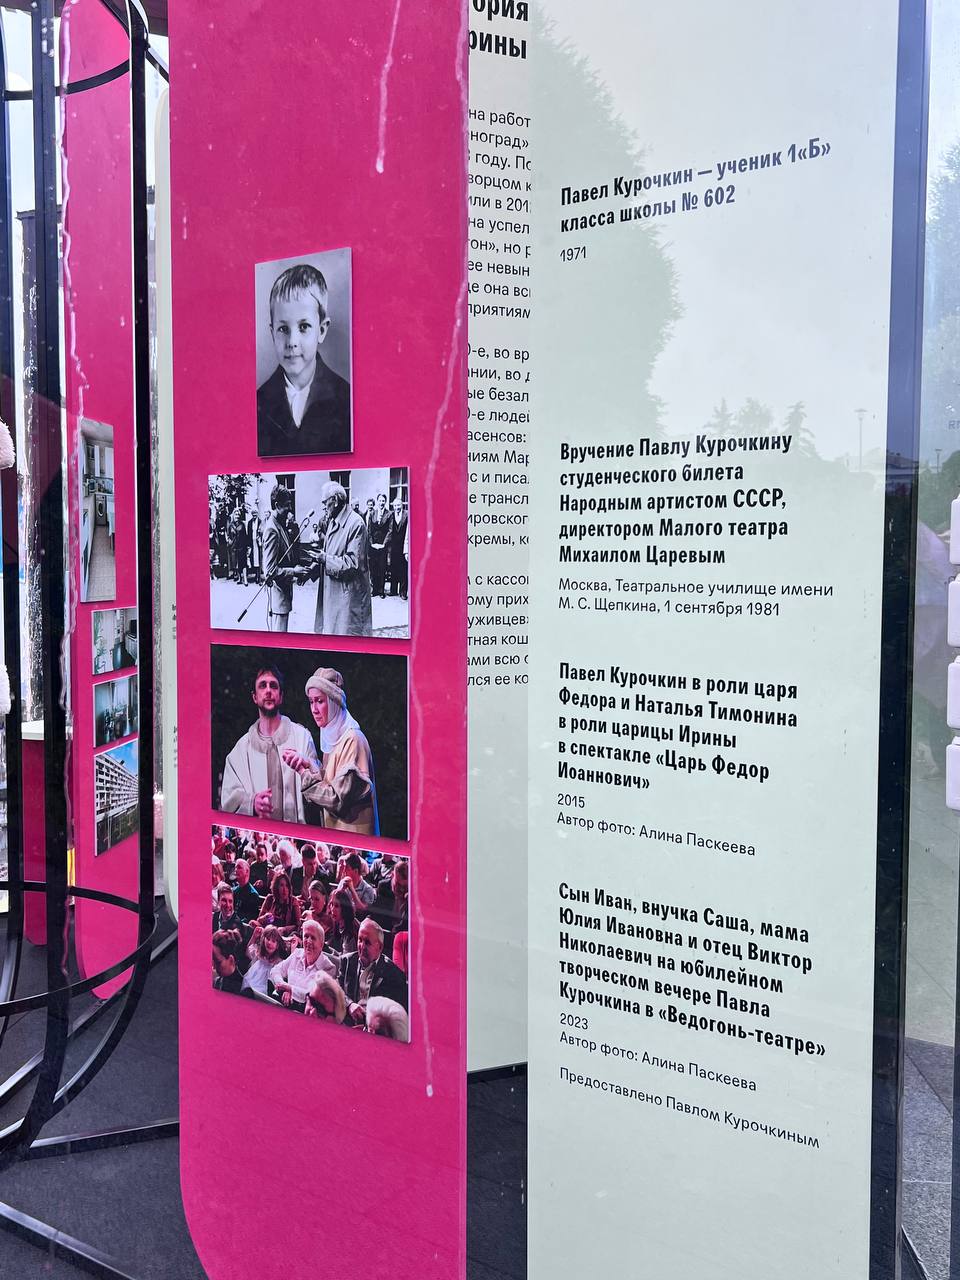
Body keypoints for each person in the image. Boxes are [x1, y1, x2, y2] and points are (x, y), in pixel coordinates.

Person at [256, 263, 351, 456]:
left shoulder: (345, 397)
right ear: (272, 333)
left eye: (304, 327)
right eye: (283, 329)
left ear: (321, 330)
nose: (292, 342)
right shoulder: (259, 401)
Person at [281, 668, 379, 834]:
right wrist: (307, 764)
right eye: (311, 702)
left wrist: (303, 773)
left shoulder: (353, 740)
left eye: (319, 701)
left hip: (354, 840)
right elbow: (329, 781)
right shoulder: (333, 740)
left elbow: (336, 800)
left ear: (334, 702)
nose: (314, 709)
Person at [220, 664, 319, 822]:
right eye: (262, 685)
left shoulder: (302, 737)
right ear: (254, 697)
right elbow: (228, 799)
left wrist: (307, 766)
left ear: (281, 696)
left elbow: (320, 786)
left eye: (273, 685)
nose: (268, 691)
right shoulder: (241, 750)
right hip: (258, 835)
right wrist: (252, 803)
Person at [302, 481, 372, 637]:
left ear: (334, 500)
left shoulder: (356, 524)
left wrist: (324, 559)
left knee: (348, 642)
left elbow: (352, 564)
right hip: (334, 598)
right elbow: (331, 553)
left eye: (324, 502)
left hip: (348, 601)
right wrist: (311, 571)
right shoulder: (333, 521)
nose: (323, 506)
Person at [339, 918, 408, 1024]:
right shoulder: (347, 961)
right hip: (348, 1022)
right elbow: (337, 990)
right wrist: (350, 1004)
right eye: (360, 940)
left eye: (367, 942)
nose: (362, 946)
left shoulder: (394, 975)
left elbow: (395, 1014)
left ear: (380, 947)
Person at [261, 484, 303, 633]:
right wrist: (294, 572)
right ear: (277, 505)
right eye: (287, 505)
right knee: (279, 638)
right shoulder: (272, 529)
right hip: (278, 597)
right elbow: (270, 571)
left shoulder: (280, 524)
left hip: (283, 595)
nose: (290, 509)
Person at [270, 919, 338, 1008]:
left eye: (313, 938)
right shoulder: (297, 953)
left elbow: (313, 995)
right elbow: (275, 971)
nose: (308, 941)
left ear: (321, 945)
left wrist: (291, 990)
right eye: (306, 936)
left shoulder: (328, 968)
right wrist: (284, 986)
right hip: (285, 1001)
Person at [242, 924, 289, 996]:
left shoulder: (278, 962)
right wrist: (254, 937)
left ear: (277, 946)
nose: (269, 943)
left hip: (264, 990)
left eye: (273, 941)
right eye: (268, 939)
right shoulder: (258, 953)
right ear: (263, 939)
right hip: (249, 984)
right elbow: (248, 951)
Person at [256, 869, 302, 936]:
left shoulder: (293, 901)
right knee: (252, 923)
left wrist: (285, 929)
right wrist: (265, 917)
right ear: (276, 887)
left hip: (285, 935)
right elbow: (259, 920)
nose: (284, 889)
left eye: (286, 886)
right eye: (281, 885)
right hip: (269, 932)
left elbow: (298, 925)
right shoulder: (270, 899)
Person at [367, 494, 391, 598]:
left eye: (383, 501)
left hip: (383, 546)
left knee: (382, 568)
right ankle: (374, 589)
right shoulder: (373, 513)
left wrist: (384, 544)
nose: (381, 503)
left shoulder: (389, 514)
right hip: (373, 546)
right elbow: (369, 530)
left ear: (385, 502)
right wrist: (371, 543)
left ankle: (381, 590)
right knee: (373, 567)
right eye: (380, 501)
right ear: (377, 502)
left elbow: (390, 530)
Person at [213, 929, 247, 995]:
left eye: (218, 962)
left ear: (231, 960)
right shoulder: (217, 981)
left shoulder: (243, 991)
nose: (213, 967)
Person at [326, 888, 359, 956]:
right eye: (331, 904)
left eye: (337, 906)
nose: (332, 909)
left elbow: (346, 958)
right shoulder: (338, 922)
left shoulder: (350, 930)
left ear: (344, 908)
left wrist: (330, 952)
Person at [388, 498, 408, 599]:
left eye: (399, 505)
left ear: (402, 505)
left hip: (403, 545)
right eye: (395, 506)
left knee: (403, 569)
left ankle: (403, 592)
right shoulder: (391, 515)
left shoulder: (407, 515)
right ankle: (393, 590)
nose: (397, 508)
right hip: (393, 546)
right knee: (393, 567)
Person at [231, 859, 262, 923]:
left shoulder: (252, 894)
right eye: (235, 867)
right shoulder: (233, 891)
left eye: (239, 867)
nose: (236, 870)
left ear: (247, 871)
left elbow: (249, 918)